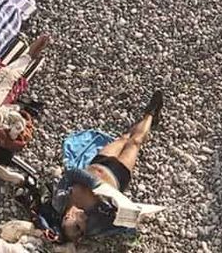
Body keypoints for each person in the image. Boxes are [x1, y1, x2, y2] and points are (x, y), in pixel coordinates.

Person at [34, 91, 164, 243]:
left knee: (124, 138)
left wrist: (94, 184)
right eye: (82, 231)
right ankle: (151, 114)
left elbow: (71, 174)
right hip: (118, 174)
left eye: (77, 227)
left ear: (67, 217)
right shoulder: (94, 224)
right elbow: (122, 226)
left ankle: (145, 125)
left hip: (100, 162)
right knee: (135, 141)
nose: (83, 226)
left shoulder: (60, 200)